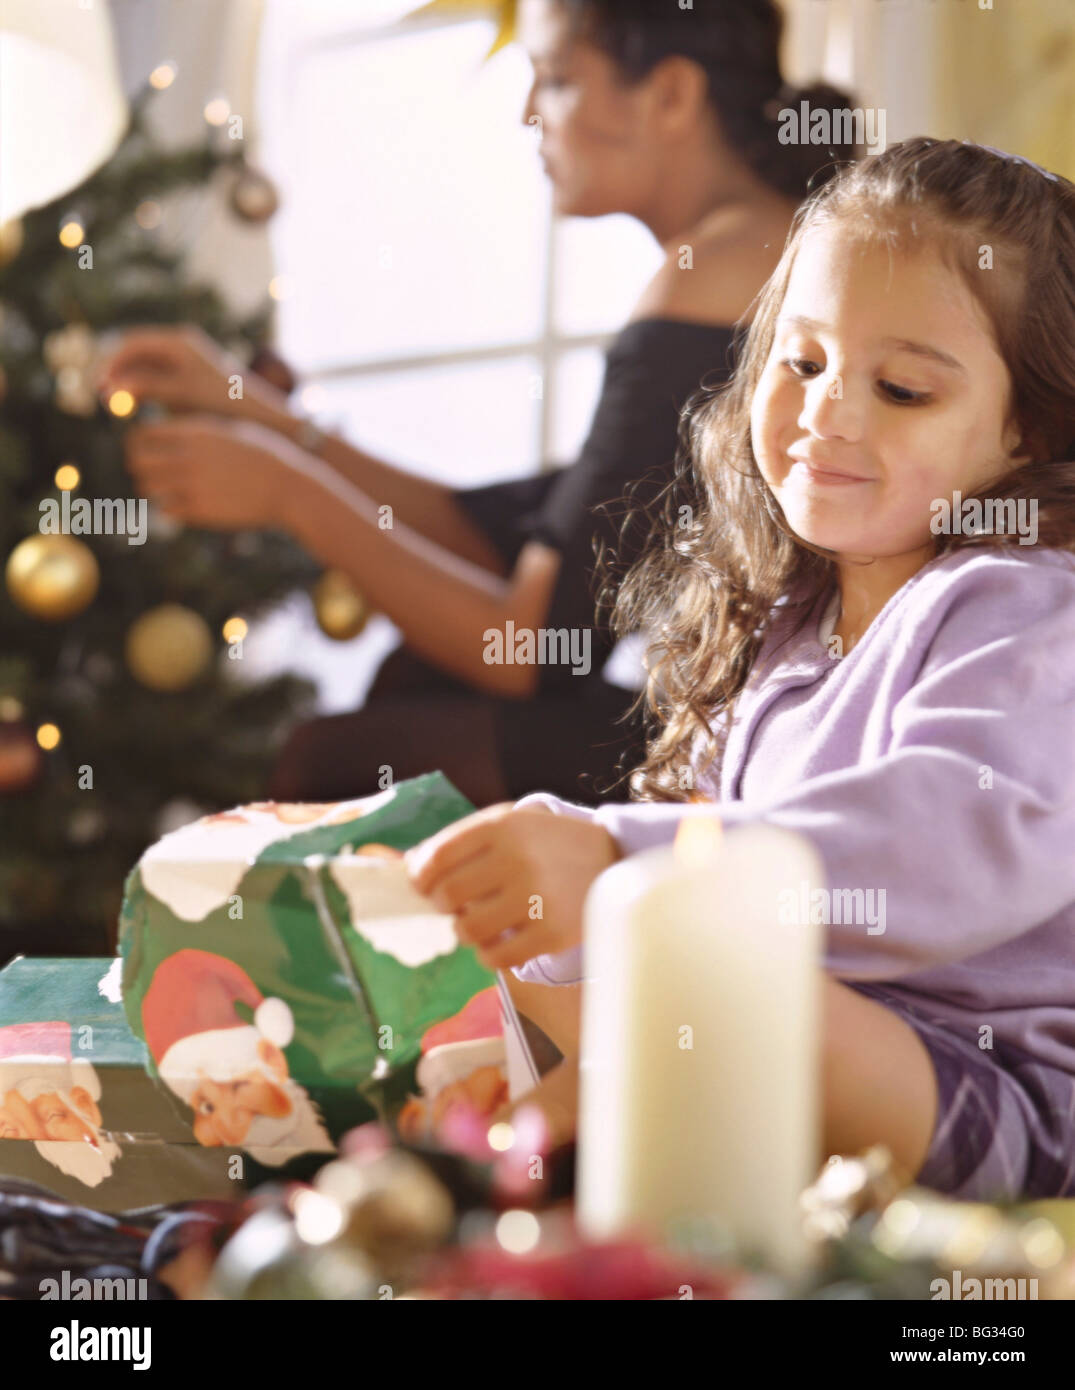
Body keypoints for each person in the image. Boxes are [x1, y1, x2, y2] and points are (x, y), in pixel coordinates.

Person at [405, 137, 1075, 1201]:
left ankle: (487, 1170)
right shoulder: (789, 624)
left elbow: (942, 838)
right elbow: (693, 862)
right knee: (495, 1007)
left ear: (1022, 428)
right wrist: (530, 931)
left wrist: (608, 861)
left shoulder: (1026, 605)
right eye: (801, 362)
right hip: (794, 1033)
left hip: (985, 1089)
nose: (828, 414)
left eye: (901, 389)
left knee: (703, 985)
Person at [99, 0, 859, 808]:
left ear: (670, 94)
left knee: (336, 760)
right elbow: (512, 542)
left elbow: (532, 647)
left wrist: (288, 492)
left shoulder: (720, 267)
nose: (529, 113)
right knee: (411, 688)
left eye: (557, 80)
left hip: (764, 752)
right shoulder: (764, 247)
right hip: (768, 725)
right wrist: (264, 418)